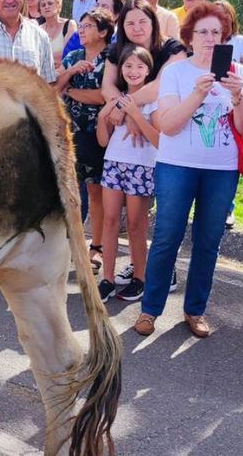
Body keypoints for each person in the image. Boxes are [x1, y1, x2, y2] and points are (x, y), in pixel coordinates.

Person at [133, 2, 243, 339]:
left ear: (225, 36)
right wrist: (197, 96)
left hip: (221, 168)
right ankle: (149, 309)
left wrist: (239, 96)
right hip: (177, 165)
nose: (210, 38)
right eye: (203, 32)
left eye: (217, 32)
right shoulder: (175, 72)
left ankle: (195, 310)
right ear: (190, 36)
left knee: (208, 240)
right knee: (168, 236)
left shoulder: (236, 73)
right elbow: (168, 126)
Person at [55, 8, 115, 297]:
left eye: (89, 26)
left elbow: (103, 96)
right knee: (70, 191)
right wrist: (71, 73)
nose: (82, 30)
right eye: (82, 25)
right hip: (71, 133)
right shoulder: (73, 57)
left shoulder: (111, 60)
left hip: (99, 135)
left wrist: (74, 93)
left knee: (96, 192)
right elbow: (55, 88)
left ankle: (98, 247)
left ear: (103, 31)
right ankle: (70, 245)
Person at [95, 43, 159, 303]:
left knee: (136, 225)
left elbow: (158, 140)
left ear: (148, 71)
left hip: (142, 166)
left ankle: (139, 278)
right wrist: (102, 118)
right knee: (110, 221)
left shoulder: (154, 101)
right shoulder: (115, 98)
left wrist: (135, 113)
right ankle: (107, 279)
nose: (133, 71)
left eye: (140, 66)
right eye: (128, 66)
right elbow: (102, 141)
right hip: (113, 164)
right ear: (120, 70)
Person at [101, 0, 188, 107]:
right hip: (122, 117)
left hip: (161, 115)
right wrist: (122, 109)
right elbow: (107, 87)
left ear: (153, 22)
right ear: (122, 27)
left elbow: (158, 87)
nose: (137, 28)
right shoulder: (115, 50)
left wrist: (123, 108)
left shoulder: (174, 50)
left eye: (142, 22)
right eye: (130, 23)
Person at [215, 0, 243, 89]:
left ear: (231, 18)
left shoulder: (242, 42)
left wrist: (239, 95)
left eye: (223, 16)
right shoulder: (207, 42)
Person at [38, 0, 76, 67]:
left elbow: (68, 54)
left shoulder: (69, 24)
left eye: (50, 3)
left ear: (58, 5)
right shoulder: (38, 29)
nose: (46, 7)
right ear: (40, 10)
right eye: (43, 5)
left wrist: (43, 58)